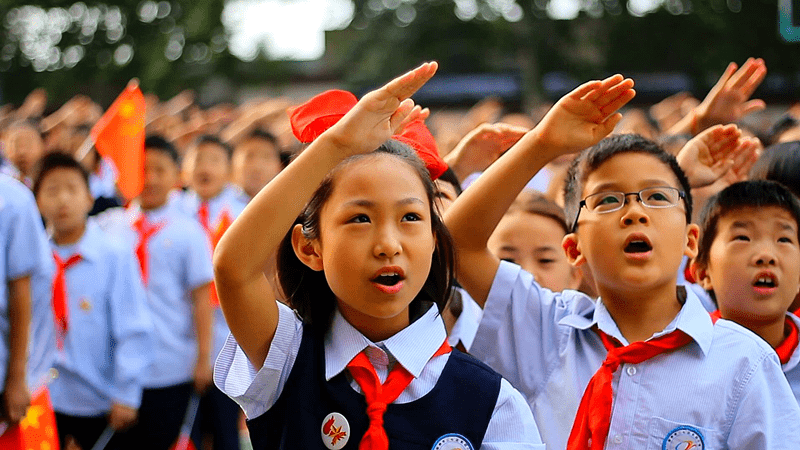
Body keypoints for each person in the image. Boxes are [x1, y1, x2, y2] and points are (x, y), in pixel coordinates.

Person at [444, 73, 800, 450]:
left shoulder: (744, 362)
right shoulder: (545, 330)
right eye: (608, 200)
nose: (635, 213)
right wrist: (541, 144)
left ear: (690, 241)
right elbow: (457, 241)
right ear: (574, 250)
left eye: (657, 198)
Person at [213, 62, 545, 449]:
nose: (388, 244)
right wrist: (336, 145)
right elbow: (234, 268)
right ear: (309, 247)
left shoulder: (491, 401)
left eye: (410, 218)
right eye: (360, 219)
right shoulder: (287, 356)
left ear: (435, 239)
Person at [99, 137, 214, 450]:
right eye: (141, 170)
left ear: (176, 175)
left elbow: (201, 299)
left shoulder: (188, 231)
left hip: (171, 367)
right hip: (117, 370)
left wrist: (203, 358)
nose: (149, 179)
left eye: (159, 170)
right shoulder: (111, 227)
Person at [33, 152, 153, 449]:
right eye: (51, 190)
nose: (63, 199)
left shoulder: (114, 256)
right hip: (44, 399)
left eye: (72, 189)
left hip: (100, 400)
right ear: (37, 201)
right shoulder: (33, 260)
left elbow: (133, 328)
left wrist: (126, 395)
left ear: (89, 197)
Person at [691, 180, 800, 403]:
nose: (766, 255)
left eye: (784, 239)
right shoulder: (683, 359)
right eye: (743, 238)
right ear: (703, 273)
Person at [180, 134, 246, 450]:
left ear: (229, 171)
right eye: (197, 160)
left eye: (214, 160)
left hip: (229, 341)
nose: (204, 168)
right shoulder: (174, 212)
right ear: (184, 169)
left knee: (224, 431)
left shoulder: (245, 213)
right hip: (180, 343)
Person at [232, 129, 283, 201]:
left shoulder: (288, 202)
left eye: (266, 157)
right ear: (233, 161)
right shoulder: (219, 202)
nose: (257, 166)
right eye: (249, 156)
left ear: (279, 166)